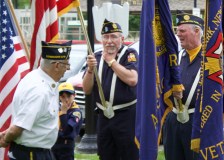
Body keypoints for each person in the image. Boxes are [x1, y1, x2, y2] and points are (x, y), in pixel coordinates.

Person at [0, 41, 72, 160]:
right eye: (66, 65)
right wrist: (6, 139)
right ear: (57, 65)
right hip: (32, 154)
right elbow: (18, 127)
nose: (67, 69)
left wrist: (5, 134)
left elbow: (24, 118)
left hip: (39, 152)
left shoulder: (36, 78)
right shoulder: (39, 91)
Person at [82, 19, 139, 160]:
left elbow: (132, 79)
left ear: (122, 38)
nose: (109, 41)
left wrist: (112, 62)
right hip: (104, 117)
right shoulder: (96, 57)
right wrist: (90, 70)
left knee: (129, 154)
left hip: (126, 116)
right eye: (106, 37)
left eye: (114, 36)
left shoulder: (129, 54)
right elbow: (86, 89)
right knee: (106, 154)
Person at [162, 11, 203, 160]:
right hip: (174, 119)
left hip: (197, 120)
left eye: (182, 30)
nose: (178, 34)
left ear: (197, 31)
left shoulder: (211, 60)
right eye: (177, 30)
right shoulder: (176, 58)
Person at [51, 82, 82, 160]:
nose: (66, 99)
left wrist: (64, 113)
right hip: (54, 143)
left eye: (69, 96)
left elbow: (67, 130)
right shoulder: (56, 108)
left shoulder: (76, 112)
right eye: (63, 96)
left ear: (74, 95)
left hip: (66, 145)